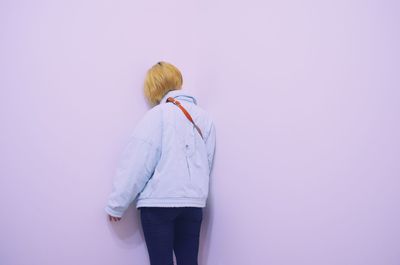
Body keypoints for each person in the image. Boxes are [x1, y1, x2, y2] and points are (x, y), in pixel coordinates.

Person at [105, 61, 216, 265]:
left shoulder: (157, 116)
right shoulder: (205, 118)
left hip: (158, 205)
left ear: (153, 89)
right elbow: (206, 163)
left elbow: (137, 162)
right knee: (189, 261)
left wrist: (117, 204)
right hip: (193, 204)